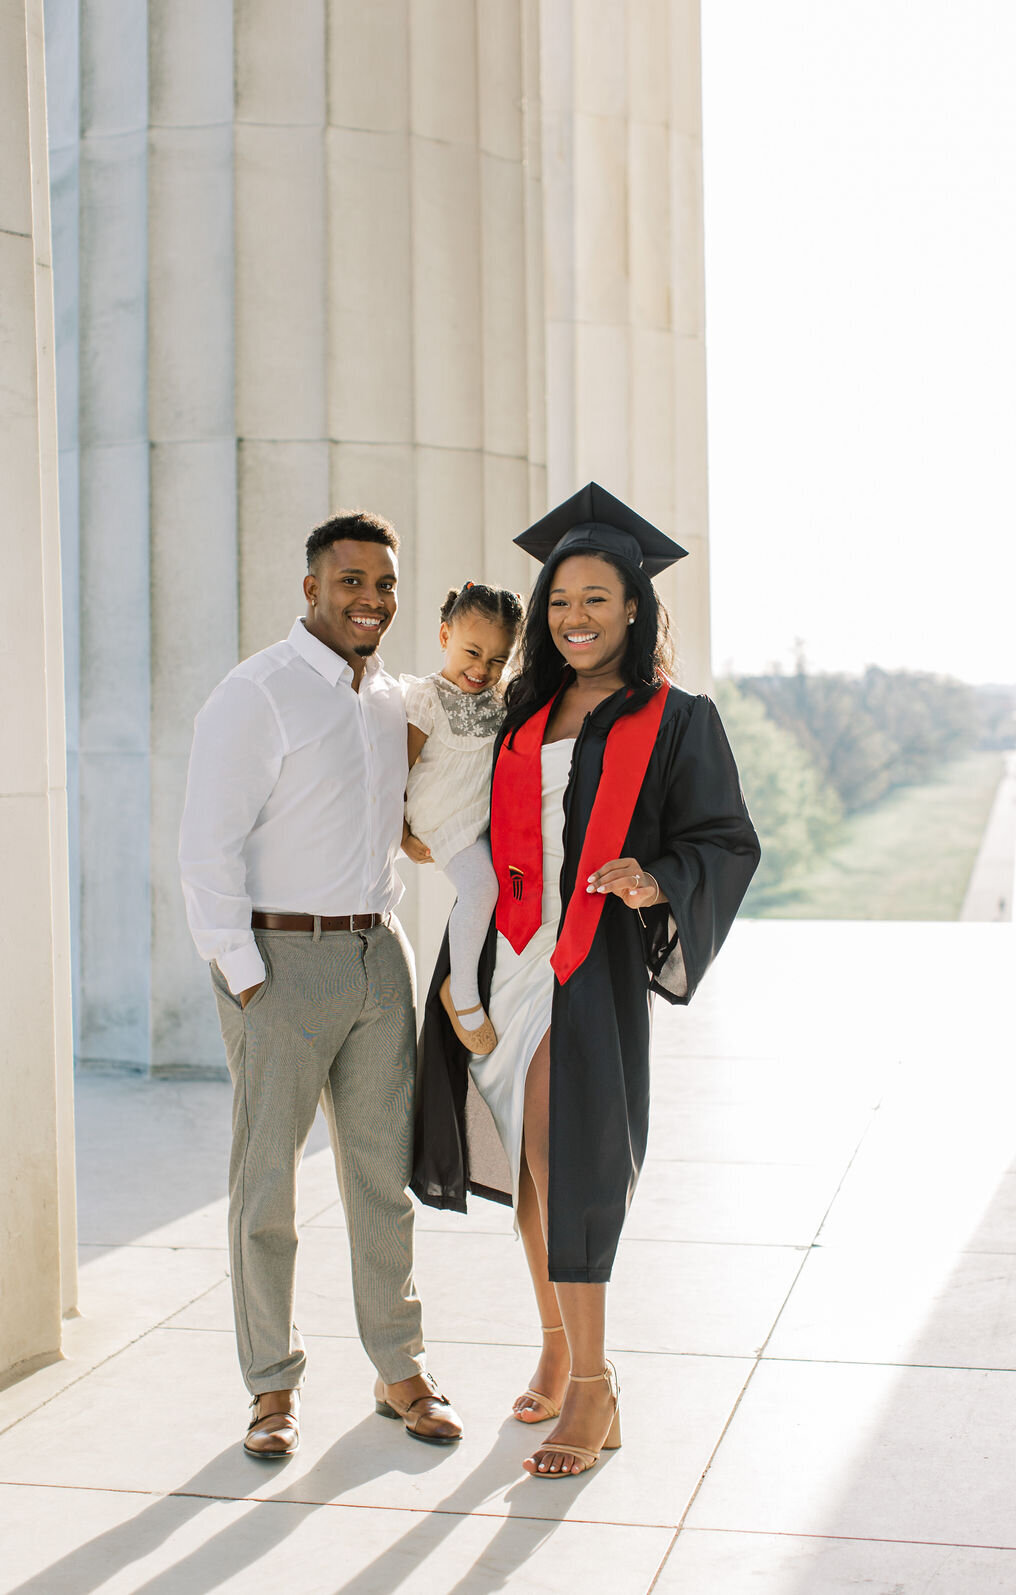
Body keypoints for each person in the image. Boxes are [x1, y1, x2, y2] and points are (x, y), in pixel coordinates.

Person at [411, 483, 760, 1479]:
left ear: (635, 607)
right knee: (528, 1160)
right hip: (505, 952)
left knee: (573, 1159)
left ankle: (597, 1386)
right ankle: (561, 1341)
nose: (576, 617)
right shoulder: (520, 707)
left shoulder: (676, 718)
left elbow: (724, 839)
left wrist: (660, 879)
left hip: (586, 961)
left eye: (598, 598)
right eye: (561, 599)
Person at [178, 511, 463, 1459]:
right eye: (350, 582)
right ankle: (270, 1386)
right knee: (266, 1188)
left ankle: (399, 1367)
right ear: (311, 589)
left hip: (378, 957)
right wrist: (249, 977)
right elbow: (205, 848)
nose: (370, 599)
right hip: (280, 965)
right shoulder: (254, 694)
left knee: (384, 1180)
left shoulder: (391, 700)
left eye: (384, 584)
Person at [400, 581, 525, 1055]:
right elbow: (398, 768)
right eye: (472, 652)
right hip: (441, 817)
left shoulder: (500, 702)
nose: (482, 669)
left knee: (510, 885)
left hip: (480, 817)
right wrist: (401, 831)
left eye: (497, 660)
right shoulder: (426, 698)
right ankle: (462, 993)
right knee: (482, 888)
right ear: (444, 636)